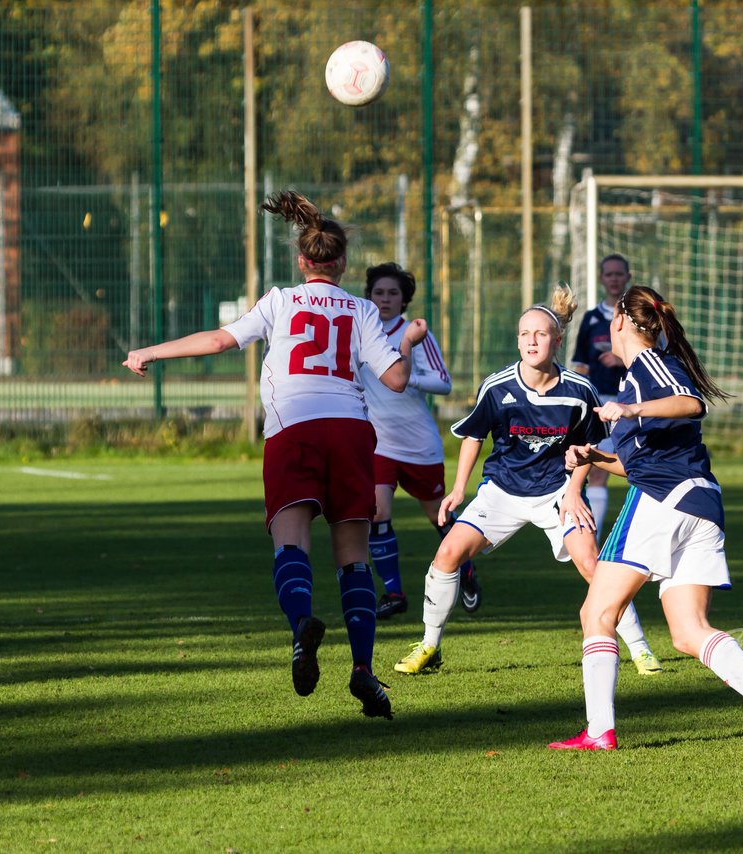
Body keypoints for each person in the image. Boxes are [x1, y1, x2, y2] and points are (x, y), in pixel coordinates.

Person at [123, 191, 427, 719]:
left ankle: (300, 629)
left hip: (294, 428)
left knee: (292, 544)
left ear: (302, 260)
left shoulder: (281, 300)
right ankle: (362, 671)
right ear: (343, 263)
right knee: (353, 557)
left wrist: (151, 351)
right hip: (352, 430)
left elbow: (221, 342)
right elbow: (397, 381)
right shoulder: (360, 308)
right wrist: (407, 342)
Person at [549, 286, 743, 753]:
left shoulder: (649, 366)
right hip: (697, 505)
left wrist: (631, 409)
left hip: (665, 500)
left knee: (596, 612)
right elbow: (633, 461)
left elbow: (691, 403)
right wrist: (593, 455)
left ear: (620, 321)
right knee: (686, 631)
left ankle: (599, 732)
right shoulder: (633, 381)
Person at [393, 283, 663, 677]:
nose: (531, 341)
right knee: (447, 556)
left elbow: (589, 446)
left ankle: (640, 650)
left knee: (594, 565)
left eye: (540, 334)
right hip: (502, 491)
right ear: (517, 341)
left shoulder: (578, 390)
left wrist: (574, 492)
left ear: (556, 340)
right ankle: (430, 645)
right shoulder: (498, 386)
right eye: (524, 334)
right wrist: (457, 489)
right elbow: (473, 436)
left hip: (557, 492)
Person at [359, 262, 482, 620]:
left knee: (438, 513)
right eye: (379, 292)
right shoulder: (361, 330)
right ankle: (394, 592)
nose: (385, 299)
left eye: (393, 293)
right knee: (377, 512)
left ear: (404, 299)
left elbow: (443, 383)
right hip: (378, 443)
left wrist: (403, 374)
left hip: (418, 443)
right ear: (369, 295)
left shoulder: (415, 334)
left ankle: (468, 570)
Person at [571, 254, 632, 542]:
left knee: (636, 467)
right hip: (599, 406)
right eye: (609, 274)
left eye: (619, 274)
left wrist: (622, 360)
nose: (614, 279)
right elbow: (580, 364)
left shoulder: (638, 317)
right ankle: (591, 541)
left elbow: (655, 358)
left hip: (631, 406)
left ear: (628, 277)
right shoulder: (592, 319)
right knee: (595, 470)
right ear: (601, 278)